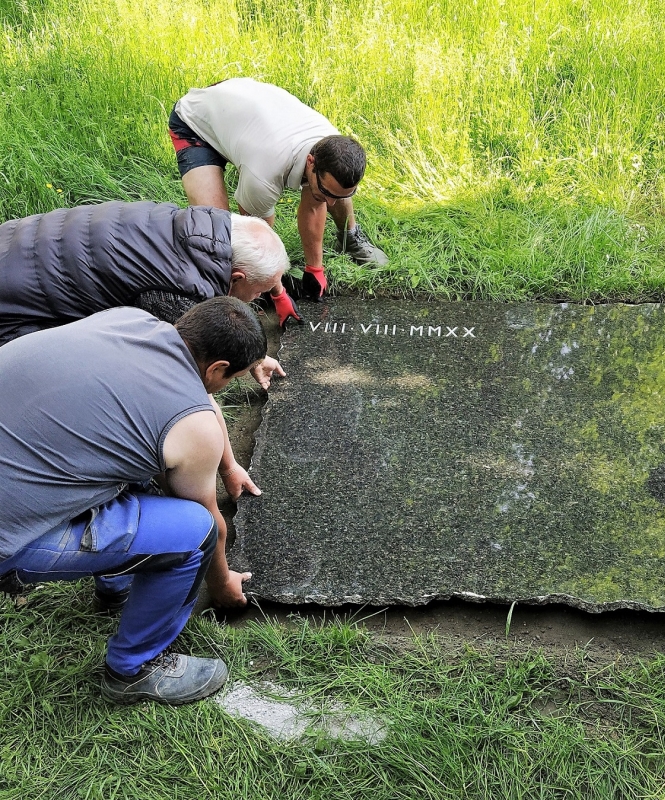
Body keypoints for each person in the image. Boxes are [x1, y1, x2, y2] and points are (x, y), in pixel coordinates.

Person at [0, 298, 266, 704]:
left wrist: (228, 464)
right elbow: (209, 519)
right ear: (216, 370)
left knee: (134, 452)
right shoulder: (191, 428)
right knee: (195, 533)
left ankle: (115, 583)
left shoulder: (129, 321)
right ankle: (133, 670)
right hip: (10, 539)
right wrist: (224, 585)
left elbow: (196, 402)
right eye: (235, 377)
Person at [0, 199, 287, 499]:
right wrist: (228, 467)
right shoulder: (176, 291)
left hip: (15, 246)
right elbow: (190, 388)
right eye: (262, 291)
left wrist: (253, 357)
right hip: (15, 308)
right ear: (237, 277)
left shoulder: (204, 229)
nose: (260, 297)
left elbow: (218, 330)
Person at [169, 78, 387, 324]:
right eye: (327, 192)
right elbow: (258, 244)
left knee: (330, 193)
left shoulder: (331, 145)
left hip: (245, 113)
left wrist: (315, 268)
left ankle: (350, 238)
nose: (331, 203)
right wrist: (278, 292)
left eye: (341, 195)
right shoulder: (264, 176)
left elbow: (316, 202)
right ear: (311, 162)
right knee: (220, 232)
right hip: (198, 121)